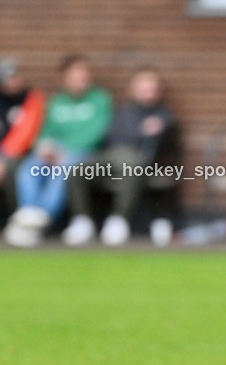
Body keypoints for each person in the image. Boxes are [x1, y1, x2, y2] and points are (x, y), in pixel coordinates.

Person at [63, 67, 178, 246]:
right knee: (78, 170)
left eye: (151, 89)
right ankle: (82, 221)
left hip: (138, 161)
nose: (147, 93)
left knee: (131, 165)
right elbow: (112, 135)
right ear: (133, 89)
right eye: (143, 88)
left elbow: (160, 139)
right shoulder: (124, 111)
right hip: (110, 157)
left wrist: (148, 131)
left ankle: (118, 221)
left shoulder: (163, 115)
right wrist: (140, 132)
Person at [4, 55, 112, 247]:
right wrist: (45, 148)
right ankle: (28, 213)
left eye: (84, 73)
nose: (82, 77)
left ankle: (41, 218)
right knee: (31, 165)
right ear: (64, 77)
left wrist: (64, 152)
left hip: (85, 155)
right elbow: (45, 133)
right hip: (55, 153)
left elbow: (96, 134)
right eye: (77, 73)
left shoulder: (100, 100)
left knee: (63, 170)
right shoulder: (57, 103)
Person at [0, 58, 46, 218]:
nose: (15, 81)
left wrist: (3, 159)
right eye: (10, 77)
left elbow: (26, 134)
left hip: (23, 154)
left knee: (14, 170)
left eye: (16, 76)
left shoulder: (32, 98)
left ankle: (17, 217)